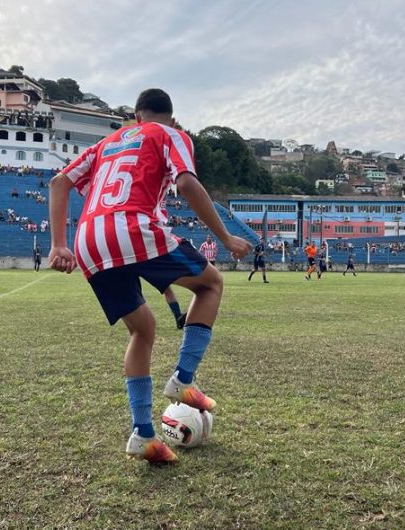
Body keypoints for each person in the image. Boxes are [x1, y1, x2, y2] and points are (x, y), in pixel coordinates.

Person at [46, 88, 251, 465]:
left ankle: (143, 434)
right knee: (211, 284)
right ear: (171, 119)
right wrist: (225, 237)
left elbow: (59, 182)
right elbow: (187, 184)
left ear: (136, 117)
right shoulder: (170, 134)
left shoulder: (105, 144)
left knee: (142, 329)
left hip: (88, 239)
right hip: (134, 227)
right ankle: (183, 379)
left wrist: (59, 244)